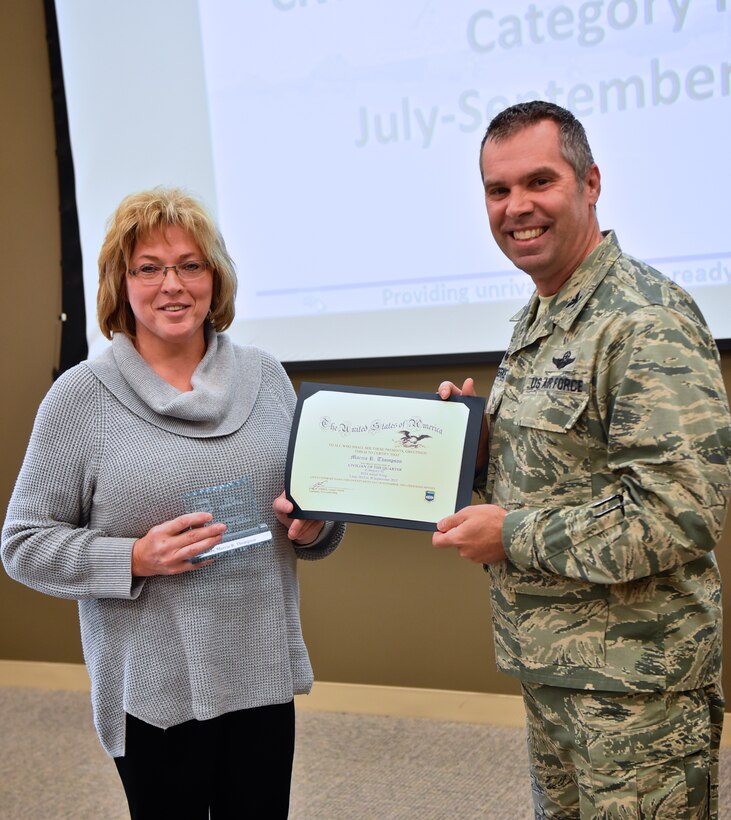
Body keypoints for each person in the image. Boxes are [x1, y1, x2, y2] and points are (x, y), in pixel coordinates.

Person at [1, 187, 344, 819]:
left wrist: (314, 529)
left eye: (191, 265)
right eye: (149, 268)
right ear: (119, 285)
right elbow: (22, 545)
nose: (173, 285)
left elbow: (314, 513)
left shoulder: (266, 377)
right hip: (156, 687)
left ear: (215, 278)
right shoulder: (80, 399)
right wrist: (134, 556)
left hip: (259, 670)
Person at [433, 101, 731, 818]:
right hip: (559, 674)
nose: (516, 207)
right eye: (497, 190)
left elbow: (677, 511)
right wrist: (471, 455)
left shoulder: (641, 318)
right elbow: (567, 467)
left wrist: (509, 534)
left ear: (589, 182)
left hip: (637, 695)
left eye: (539, 181)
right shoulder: (543, 315)